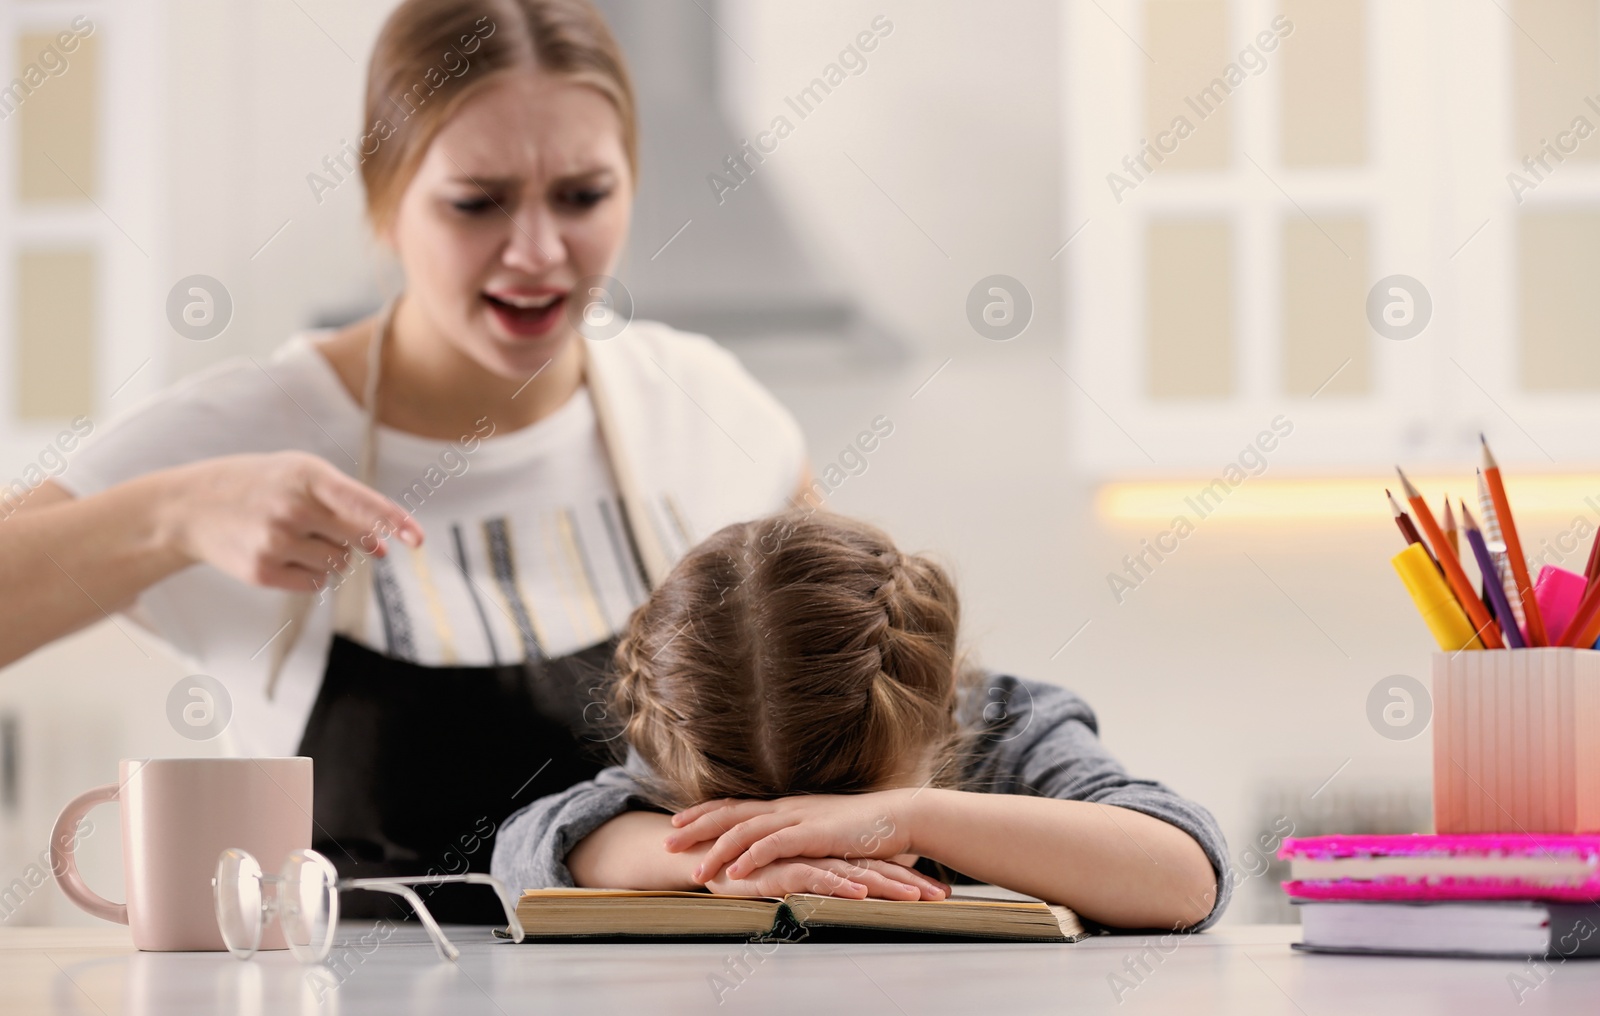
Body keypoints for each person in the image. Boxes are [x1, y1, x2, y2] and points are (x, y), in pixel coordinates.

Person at [0, 0, 809, 921]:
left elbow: (863, 701)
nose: (539, 251)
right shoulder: (250, 428)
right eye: (477, 202)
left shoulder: (706, 408)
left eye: (583, 196)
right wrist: (172, 515)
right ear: (383, 198)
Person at [492, 512, 1231, 931]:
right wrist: (719, 858)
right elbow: (523, 849)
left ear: (940, 713)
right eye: (754, 816)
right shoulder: (695, 743)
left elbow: (1188, 877)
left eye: (855, 805)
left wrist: (913, 818)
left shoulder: (1008, 727)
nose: (825, 842)